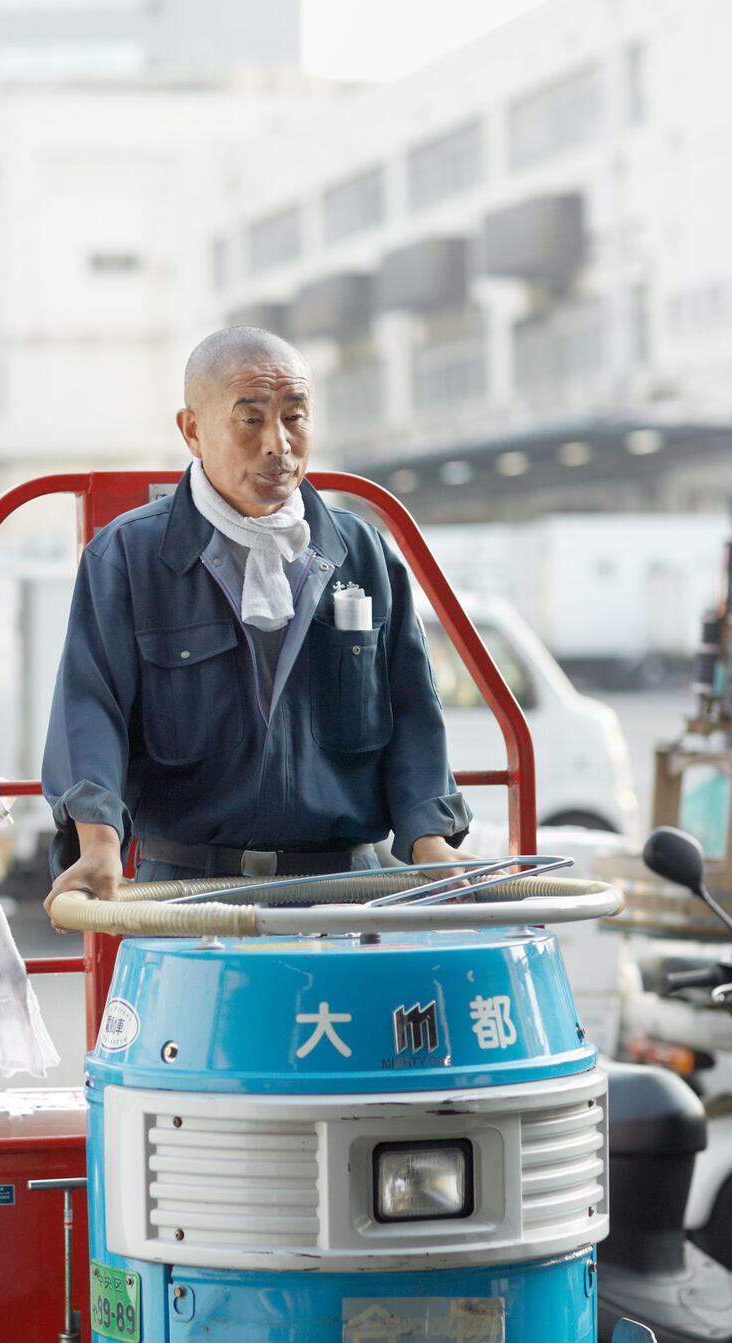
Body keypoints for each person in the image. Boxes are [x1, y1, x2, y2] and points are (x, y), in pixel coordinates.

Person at [42, 325, 471, 911]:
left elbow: (415, 712)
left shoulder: (363, 552)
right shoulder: (130, 558)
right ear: (192, 430)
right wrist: (98, 843)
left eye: (295, 417)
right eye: (251, 419)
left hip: (347, 893)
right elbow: (89, 708)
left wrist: (431, 843)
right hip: (188, 892)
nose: (278, 443)